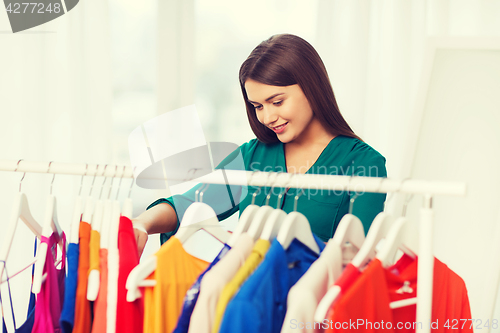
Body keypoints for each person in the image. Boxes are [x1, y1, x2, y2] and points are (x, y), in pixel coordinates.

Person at [132, 34, 387, 257]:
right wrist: (142, 222)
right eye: (257, 107)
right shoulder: (251, 156)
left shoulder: (364, 164)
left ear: (312, 87)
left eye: (277, 102)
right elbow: (190, 204)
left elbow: (358, 258)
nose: (266, 118)